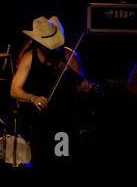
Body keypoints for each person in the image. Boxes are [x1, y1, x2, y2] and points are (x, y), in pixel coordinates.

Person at [10, 16, 91, 167]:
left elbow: (81, 91)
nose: (52, 48)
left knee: (63, 161)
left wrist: (84, 87)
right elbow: (15, 90)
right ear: (38, 42)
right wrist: (32, 98)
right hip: (41, 124)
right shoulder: (29, 58)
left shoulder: (69, 56)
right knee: (42, 163)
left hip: (64, 124)